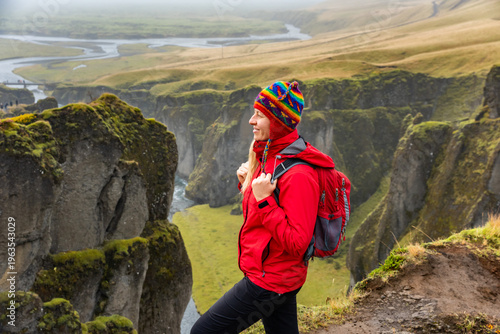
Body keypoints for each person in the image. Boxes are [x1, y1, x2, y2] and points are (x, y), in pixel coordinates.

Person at [191, 81, 334, 334]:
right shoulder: (272, 156)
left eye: (259, 115)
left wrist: (264, 199)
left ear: (277, 121)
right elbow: (266, 207)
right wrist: (247, 186)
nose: (251, 121)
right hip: (279, 277)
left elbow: (298, 243)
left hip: (270, 282)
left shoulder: (299, 174)